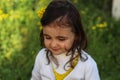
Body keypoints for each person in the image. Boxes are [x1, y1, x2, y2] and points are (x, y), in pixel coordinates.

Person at [31, 0, 100, 80]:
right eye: (48, 37)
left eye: (61, 39)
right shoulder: (41, 57)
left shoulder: (87, 65)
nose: (53, 44)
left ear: (76, 36)